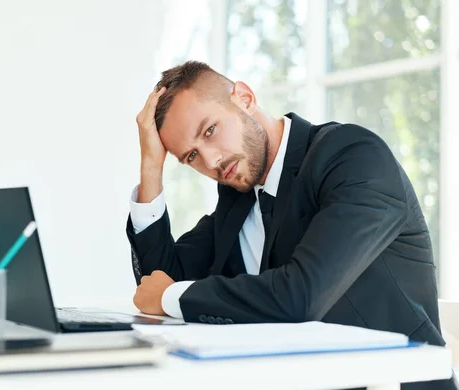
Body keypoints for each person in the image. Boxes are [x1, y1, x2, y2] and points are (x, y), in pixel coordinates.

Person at [125, 60, 456, 389]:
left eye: (210, 131)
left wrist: (170, 297)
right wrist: (151, 166)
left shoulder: (352, 157)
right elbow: (157, 281)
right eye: (191, 157)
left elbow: (301, 296)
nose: (210, 161)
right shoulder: (237, 197)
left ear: (244, 97)